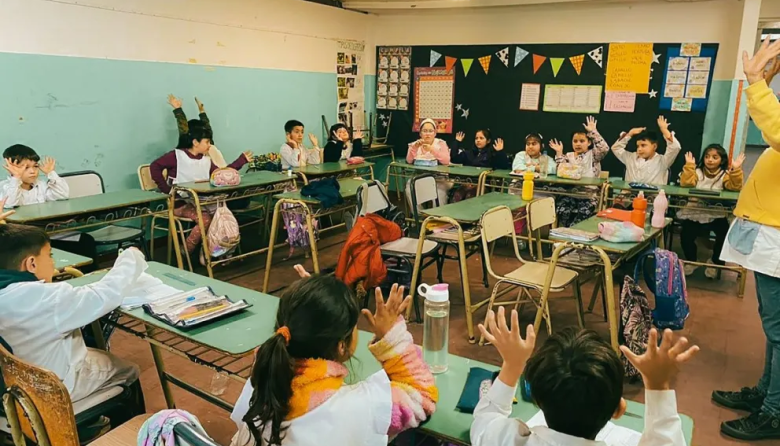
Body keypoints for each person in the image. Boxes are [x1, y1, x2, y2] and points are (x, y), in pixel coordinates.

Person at [229, 277, 438, 446]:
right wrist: (393, 337)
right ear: (341, 345)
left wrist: (313, 308)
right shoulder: (360, 406)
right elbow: (422, 396)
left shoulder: (263, 378)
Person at [471, 307, 698, 446]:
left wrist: (512, 365)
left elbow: (483, 421)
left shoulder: (507, 440)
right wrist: (658, 386)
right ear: (619, 409)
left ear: (538, 401)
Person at [0, 224, 146, 408]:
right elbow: (106, 293)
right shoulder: (46, 298)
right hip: (52, 388)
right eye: (49, 255)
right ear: (32, 264)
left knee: (96, 354)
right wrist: (131, 257)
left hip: (13, 387)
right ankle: (104, 428)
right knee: (129, 370)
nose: (53, 263)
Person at [713, 39, 780, 441]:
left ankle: (774, 410)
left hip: (776, 240)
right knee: (774, 327)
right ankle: (765, 394)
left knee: (779, 330)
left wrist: (757, 83)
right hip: (767, 236)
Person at [150, 121, 252, 258]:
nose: (209, 145)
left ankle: (213, 252)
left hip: (201, 203)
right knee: (205, 220)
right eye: (207, 141)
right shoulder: (176, 156)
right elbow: (154, 167)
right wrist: (167, 190)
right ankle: (186, 250)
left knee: (222, 216)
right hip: (180, 204)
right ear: (195, 142)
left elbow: (221, 175)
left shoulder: (206, 161)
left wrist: (241, 161)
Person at [677, 145, 744, 278]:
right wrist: (689, 166)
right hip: (695, 211)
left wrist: (735, 169)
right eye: (707, 156)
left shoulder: (725, 174)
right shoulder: (697, 171)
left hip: (716, 213)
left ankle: (714, 262)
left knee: (724, 236)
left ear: (722, 159)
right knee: (686, 235)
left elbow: (735, 187)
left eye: (715, 157)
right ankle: (691, 261)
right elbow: (686, 184)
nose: (710, 160)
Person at [550, 116, 611, 227]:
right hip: (570, 194)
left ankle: (572, 233)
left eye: (582, 141)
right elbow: (561, 170)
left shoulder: (593, 155)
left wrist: (593, 132)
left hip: (588, 195)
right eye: (575, 141)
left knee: (583, 212)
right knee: (562, 210)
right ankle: (566, 234)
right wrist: (559, 153)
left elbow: (604, 148)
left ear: (589, 142)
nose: (578, 144)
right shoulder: (568, 156)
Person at [611, 116, 681, 185]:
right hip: (630, 195)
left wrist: (664, 130)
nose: (639, 149)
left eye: (643, 145)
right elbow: (616, 148)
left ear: (654, 146)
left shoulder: (663, 161)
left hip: (653, 196)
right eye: (638, 146)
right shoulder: (630, 158)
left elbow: (675, 147)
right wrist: (630, 134)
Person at [167, 94, 227, 168]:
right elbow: (184, 131)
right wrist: (178, 110)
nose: (208, 143)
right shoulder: (185, 152)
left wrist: (202, 111)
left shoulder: (210, 148)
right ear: (194, 141)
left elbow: (208, 131)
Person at [1, 144, 68, 208]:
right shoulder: (5, 187)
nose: (33, 171)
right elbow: (9, 204)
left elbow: (62, 195)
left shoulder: (41, 185)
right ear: (11, 168)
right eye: (26, 168)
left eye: (35, 166)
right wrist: (16, 177)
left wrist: (51, 173)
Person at [405, 118, 452, 208]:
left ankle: (437, 217)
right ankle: (418, 216)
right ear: (420, 133)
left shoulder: (441, 143)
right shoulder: (414, 144)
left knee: (439, 192)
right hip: (419, 177)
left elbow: (446, 161)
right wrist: (414, 148)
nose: (427, 134)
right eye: (425, 131)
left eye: (430, 131)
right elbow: (409, 161)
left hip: (439, 178)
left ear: (435, 133)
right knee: (409, 188)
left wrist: (431, 149)